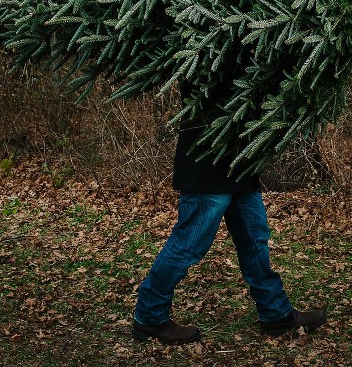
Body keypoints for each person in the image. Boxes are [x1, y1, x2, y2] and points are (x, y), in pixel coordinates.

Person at [131, 78, 326, 345]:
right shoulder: (203, 44)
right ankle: (149, 317)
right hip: (207, 160)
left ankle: (276, 313)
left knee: (254, 239)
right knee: (188, 244)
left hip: (240, 163)